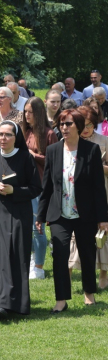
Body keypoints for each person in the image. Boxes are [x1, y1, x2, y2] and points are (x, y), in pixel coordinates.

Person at [37, 109, 108, 312]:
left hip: (86, 214)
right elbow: (47, 186)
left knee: (87, 254)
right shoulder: (53, 151)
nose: (64, 128)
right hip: (60, 214)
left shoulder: (92, 150)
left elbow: (98, 187)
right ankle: (61, 300)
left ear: (78, 126)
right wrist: (40, 216)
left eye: (68, 124)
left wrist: (103, 218)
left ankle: (89, 294)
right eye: (61, 124)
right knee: (59, 255)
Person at [0, 120, 42, 319]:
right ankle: (1, 302)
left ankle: (16, 302)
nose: (3, 138)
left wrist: (14, 190)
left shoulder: (25, 158)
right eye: (0, 134)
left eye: (8, 134)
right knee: (0, 256)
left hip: (19, 214)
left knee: (16, 255)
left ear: (15, 138)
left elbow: (35, 188)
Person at [69, 106, 108, 289]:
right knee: (74, 238)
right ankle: (68, 273)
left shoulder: (104, 141)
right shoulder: (71, 142)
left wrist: (100, 168)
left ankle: (103, 276)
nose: (86, 129)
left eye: (90, 125)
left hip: (102, 192)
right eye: (82, 125)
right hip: (76, 195)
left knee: (103, 235)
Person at [21, 97, 58, 279]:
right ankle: (31, 261)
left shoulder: (49, 133)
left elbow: (55, 161)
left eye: (30, 112)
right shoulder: (25, 132)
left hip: (41, 186)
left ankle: (39, 267)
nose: (27, 115)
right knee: (27, 227)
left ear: (39, 113)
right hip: (24, 186)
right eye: (25, 111)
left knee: (38, 227)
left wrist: (32, 155)